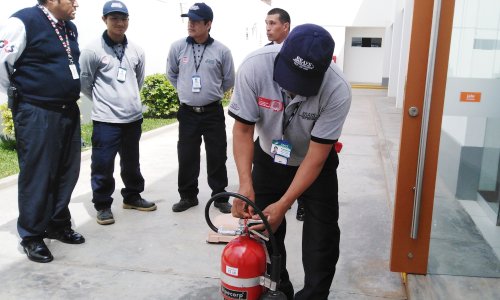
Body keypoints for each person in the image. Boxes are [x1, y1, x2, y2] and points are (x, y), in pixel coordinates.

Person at [229, 24, 352, 299]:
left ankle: (313, 295)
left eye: (302, 83)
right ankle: (278, 289)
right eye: (288, 76)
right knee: (263, 230)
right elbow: (243, 129)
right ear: (281, 51)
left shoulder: (338, 90)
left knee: (322, 237)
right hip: (268, 155)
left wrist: (285, 204)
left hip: (313, 163)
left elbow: (317, 156)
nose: (291, 87)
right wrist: (245, 183)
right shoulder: (254, 67)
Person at [0, 0, 84, 263]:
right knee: (38, 173)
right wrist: (22, 95)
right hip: (37, 111)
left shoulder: (68, 28)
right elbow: (3, 64)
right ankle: (32, 235)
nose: (76, 3)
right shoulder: (23, 22)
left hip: (67, 110)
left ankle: (57, 223)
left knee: (66, 170)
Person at [79, 1, 156, 226]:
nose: (120, 23)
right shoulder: (93, 50)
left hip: (132, 119)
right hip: (106, 121)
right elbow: (85, 82)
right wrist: (106, 101)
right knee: (103, 164)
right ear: (105, 20)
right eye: (114, 19)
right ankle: (102, 205)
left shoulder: (137, 50)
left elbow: (137, 80)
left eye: (123, 19)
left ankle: (132, 196)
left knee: (132, 162)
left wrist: (127, 97)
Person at [166, 2, 235, 214]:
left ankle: (219, 197)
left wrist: (210, 93)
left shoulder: (221, 50)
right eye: (189, 20)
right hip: (188, 113)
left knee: (217, 154)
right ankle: (188, 196)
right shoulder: (178, 47)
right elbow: (172, 73)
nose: (191, 24)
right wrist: (187, 92)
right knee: (187, 155)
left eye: (196, 21)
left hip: (212, 112)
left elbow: (229, 79)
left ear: (208, 24)